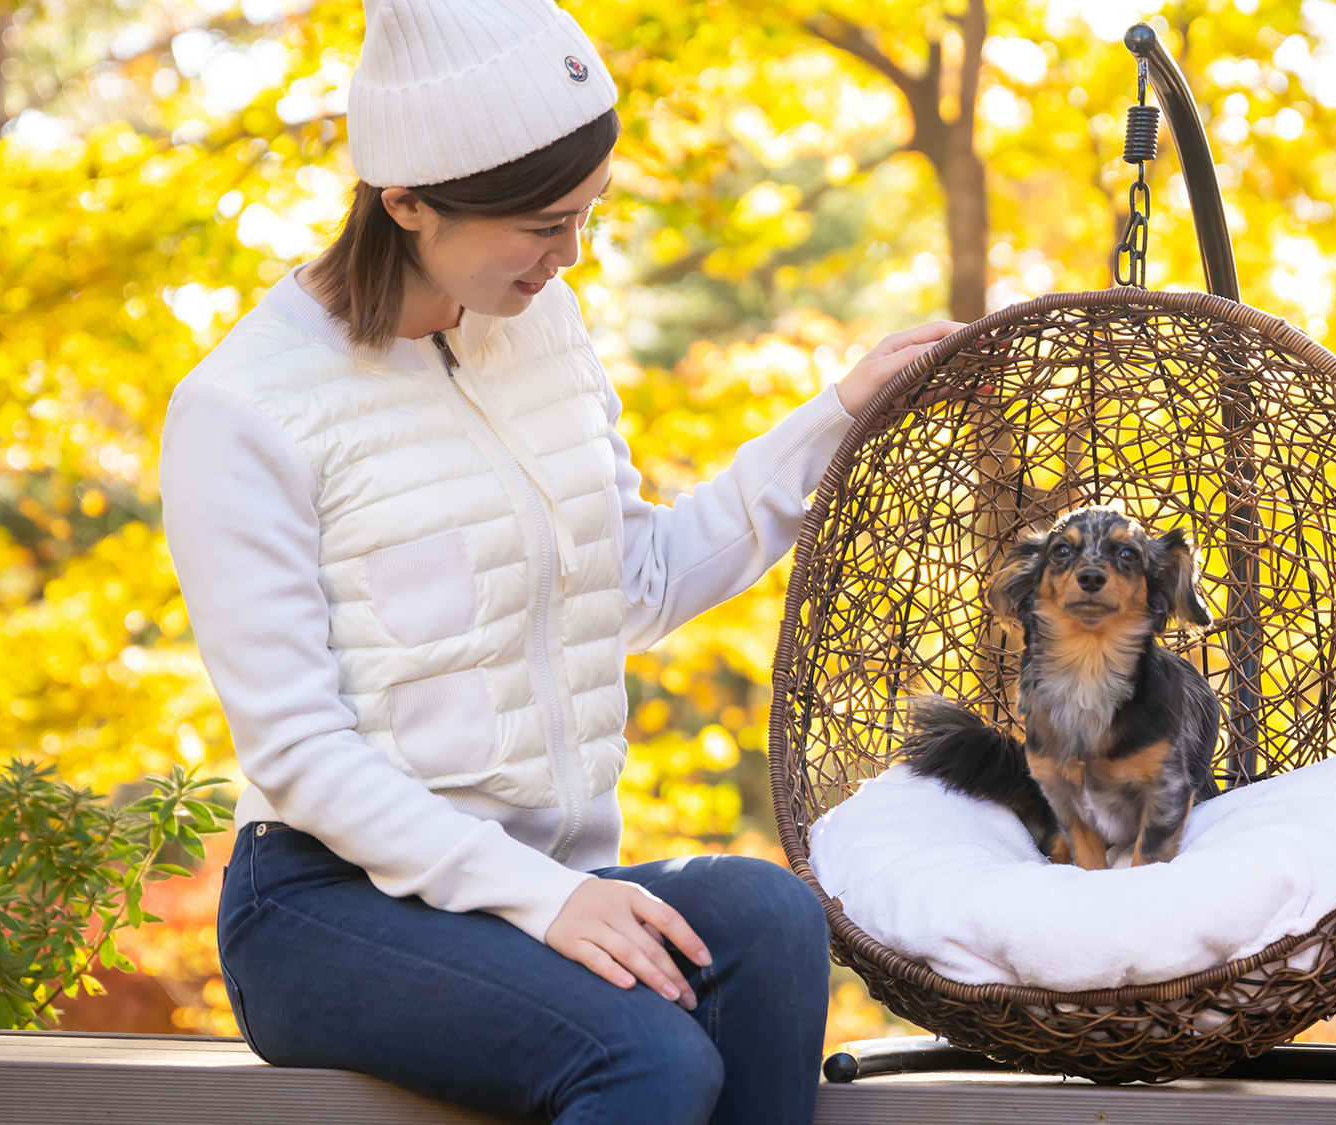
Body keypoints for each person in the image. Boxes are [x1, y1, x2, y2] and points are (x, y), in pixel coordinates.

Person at [158, 2, 958, 1121]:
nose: (570, 254)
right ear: (407, 203)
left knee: (771, 919)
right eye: (541, 225)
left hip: (541, 889)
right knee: (650, 1058)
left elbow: (631, 584)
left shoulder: (543, 328)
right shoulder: (243, 411)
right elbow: (298, 752)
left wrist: (836, 416)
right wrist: (541, 900)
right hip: (326, 906)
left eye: (587, 215)